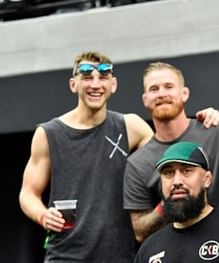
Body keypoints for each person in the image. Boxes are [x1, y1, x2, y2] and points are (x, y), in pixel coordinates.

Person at [18, 51, 155, 262]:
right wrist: (43, 215)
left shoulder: (131, 127)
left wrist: (211, 118)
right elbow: (28, 194)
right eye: (87, 77)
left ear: (113, 84)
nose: (95, 84)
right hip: (65, 256)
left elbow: (167, 154)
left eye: (103, 77)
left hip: (119, 256)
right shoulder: (49, 134)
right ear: (73, 84)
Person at [123, 62, 219, 243]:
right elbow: (140, 231)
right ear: (145, 99)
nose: (162, 94)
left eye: (169, 86)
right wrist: (169, 203)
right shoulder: (137, 163)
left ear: (184, 93)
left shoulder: (218, 131)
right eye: (154, 89)